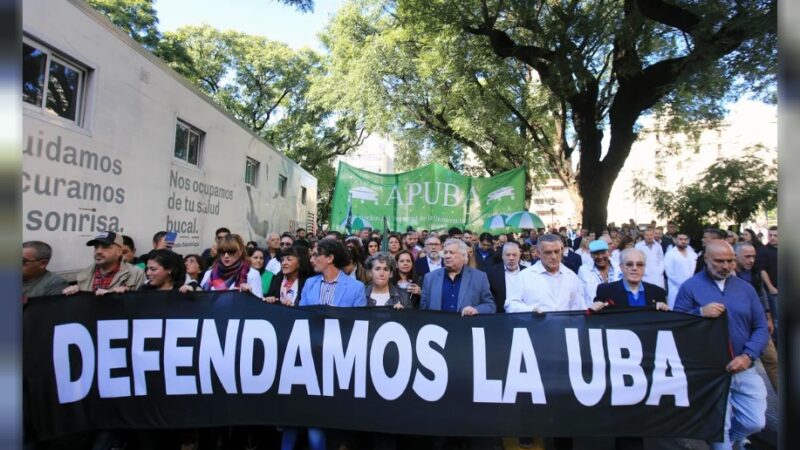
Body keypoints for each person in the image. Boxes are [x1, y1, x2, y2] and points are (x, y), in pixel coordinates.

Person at [674, 241, 768, 450]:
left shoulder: (746, 289)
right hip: (711, 372)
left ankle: (736, 437)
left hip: (745, 367)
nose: (725, 266)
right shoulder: (690, 287)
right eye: (719, 261)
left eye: (730, 261)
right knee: (719, 428)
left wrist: (748, 355)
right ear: (706, 259)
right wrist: (699, 313)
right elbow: (677, 326)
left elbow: (761, 327)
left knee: (756, 422)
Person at [734, 242, 777, 391]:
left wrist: (768, 317)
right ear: (735, 256)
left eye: (753, 256)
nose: (751, 260)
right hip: (738, 327)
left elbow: (761, 295)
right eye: (747, 257)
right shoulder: (727, 276)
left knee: (773, 361)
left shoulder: (754, 272)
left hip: (758, 326)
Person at [505, 234, 583, 313]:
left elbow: (580, 307)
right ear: (538, 253)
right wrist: (530, 311)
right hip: (535, 324)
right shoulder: (524, 276)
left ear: (562, 250)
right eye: (548, 252)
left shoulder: (572, 277)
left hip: (565, 324)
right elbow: (511, 304)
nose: (553, 256)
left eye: (556, 251)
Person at [419, 238, 496, 315]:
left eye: (451, 253)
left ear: (463, 256)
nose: (447, 256)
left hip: (466, 325)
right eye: (445, 253)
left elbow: (490, 306)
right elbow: (423, 309)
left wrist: (476, 310)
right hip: (437, 325)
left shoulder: (479, 277)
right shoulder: (430, 278)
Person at [63, 231, 145, 296]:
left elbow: (140, 307)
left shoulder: (136, 274)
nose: (98, 251)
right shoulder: (84, 275)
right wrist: (74, 293)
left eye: (105, 247)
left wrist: (122, 296)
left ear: (119, 251)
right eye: (96, 247)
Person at [591, 248, 668, 311]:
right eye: (629, 264)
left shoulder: (658, 293)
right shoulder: (605, 291)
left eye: (639, 265)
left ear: (644, 268)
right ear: (621, 267)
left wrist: (664, 311)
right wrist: (594, 310)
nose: (635, 268)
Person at [299, 238, 366, 307]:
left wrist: (336, 314)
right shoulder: (309, 283)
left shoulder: (356, 288)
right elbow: (302, 313)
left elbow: (358, 316)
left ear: (330, 258)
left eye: (315, 255)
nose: (311, 260)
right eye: (311, 255)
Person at [197, 234, 262, 297]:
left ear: (240, 252)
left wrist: (248, 294)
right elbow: (201, 299)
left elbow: (257, 303)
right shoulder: (209, 273)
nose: (226, 256)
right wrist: (192, 288)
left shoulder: (252, 274)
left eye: (231, 252)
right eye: (222, 252)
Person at [578, 240, 622, 308]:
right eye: (596, 253)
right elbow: (580, 295)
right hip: (593, 313)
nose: (600, 257)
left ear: (608, 252)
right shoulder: (583, 270)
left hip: (617, 312)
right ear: (591, 255)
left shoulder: (619, 268)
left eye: (603, 253)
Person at [486, 242, 524, 313]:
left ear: (519, 256)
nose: (511, 258)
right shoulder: (492, 273)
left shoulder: (527, 272)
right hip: (500, 315)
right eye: (508, 255)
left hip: (523, 314)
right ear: (502, 256)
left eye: (514, 255)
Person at [663, 232, 698, 308]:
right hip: (675, 287)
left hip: (691, 287)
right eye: (681, 239)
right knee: (675, 308)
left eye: (685, 239)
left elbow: (696, 270)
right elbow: (669, 273)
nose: (683, 241)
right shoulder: (670, 254)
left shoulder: (692, 254)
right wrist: (683, 284)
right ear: (675, 240)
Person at [758, 226, 778, 335]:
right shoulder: (763, 250)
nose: (772, 238)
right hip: (773, 289)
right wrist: (770, 287)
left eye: (775, 235)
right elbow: (762, 270)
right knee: (777, 318)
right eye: (770, 235)